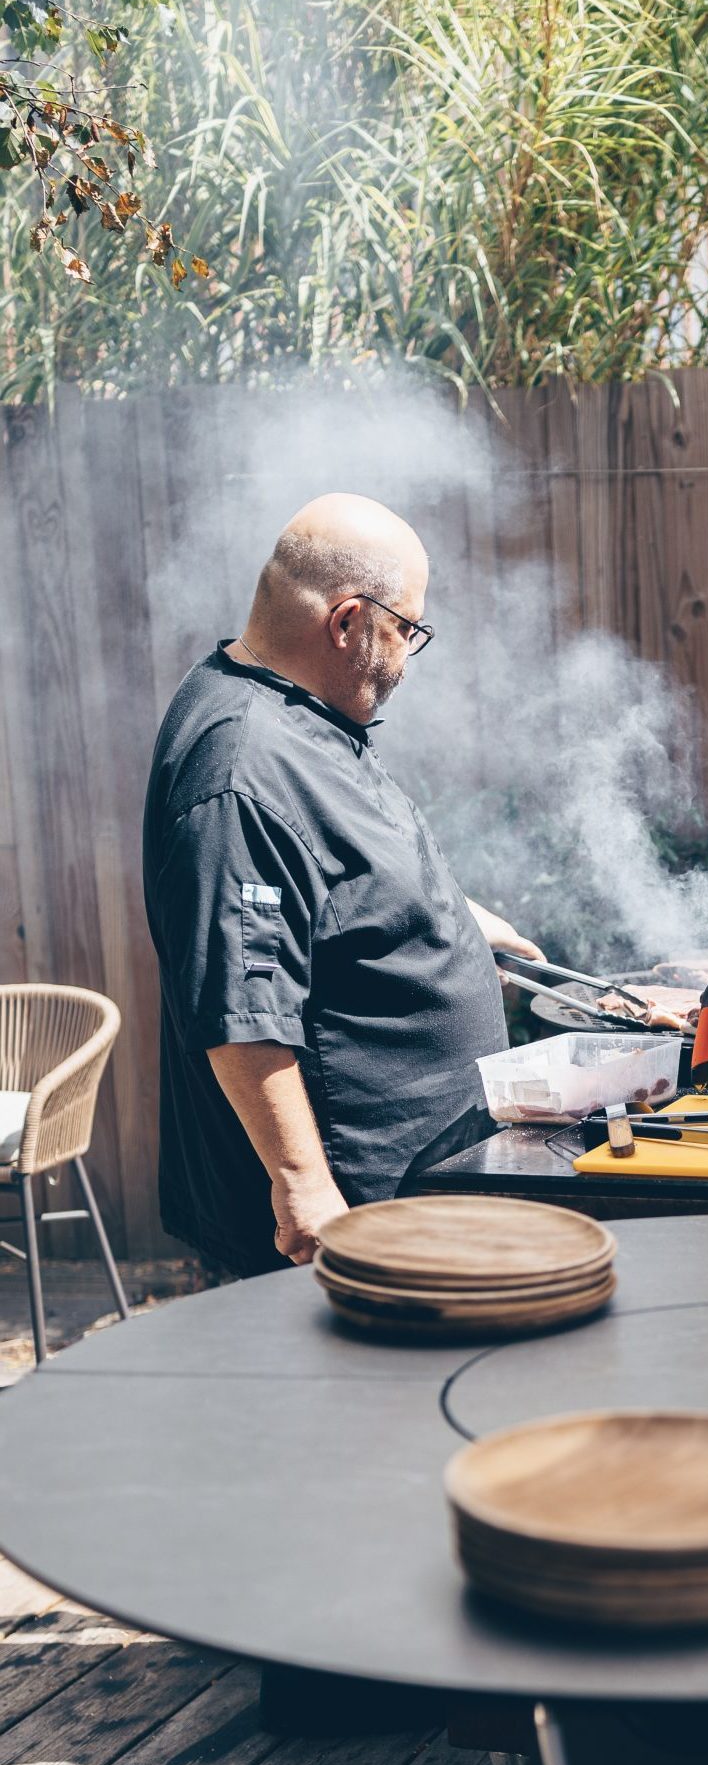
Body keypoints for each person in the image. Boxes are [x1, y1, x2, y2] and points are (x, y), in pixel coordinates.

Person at [144, 492, 541, 1276]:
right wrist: (303, 1185)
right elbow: (240, 1001)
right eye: (407, 632)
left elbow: (326, 879)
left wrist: (453, 926)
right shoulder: (241, 770)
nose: (405, 659)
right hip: (352, 1222)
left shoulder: (295, 712)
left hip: (411, 1195)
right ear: (349, 620)